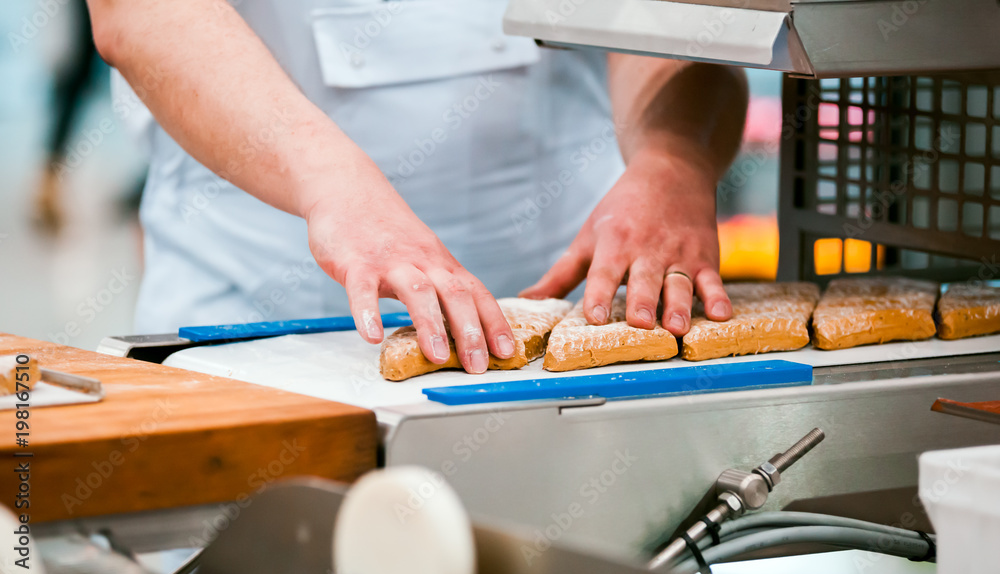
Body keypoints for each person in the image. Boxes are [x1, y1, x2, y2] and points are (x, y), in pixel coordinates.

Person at [85, 0, 747, 374]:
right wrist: (335, 188)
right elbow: (140, 13)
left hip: (579, 336)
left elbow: (678, 17)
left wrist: (673, 156)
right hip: (257, 323)